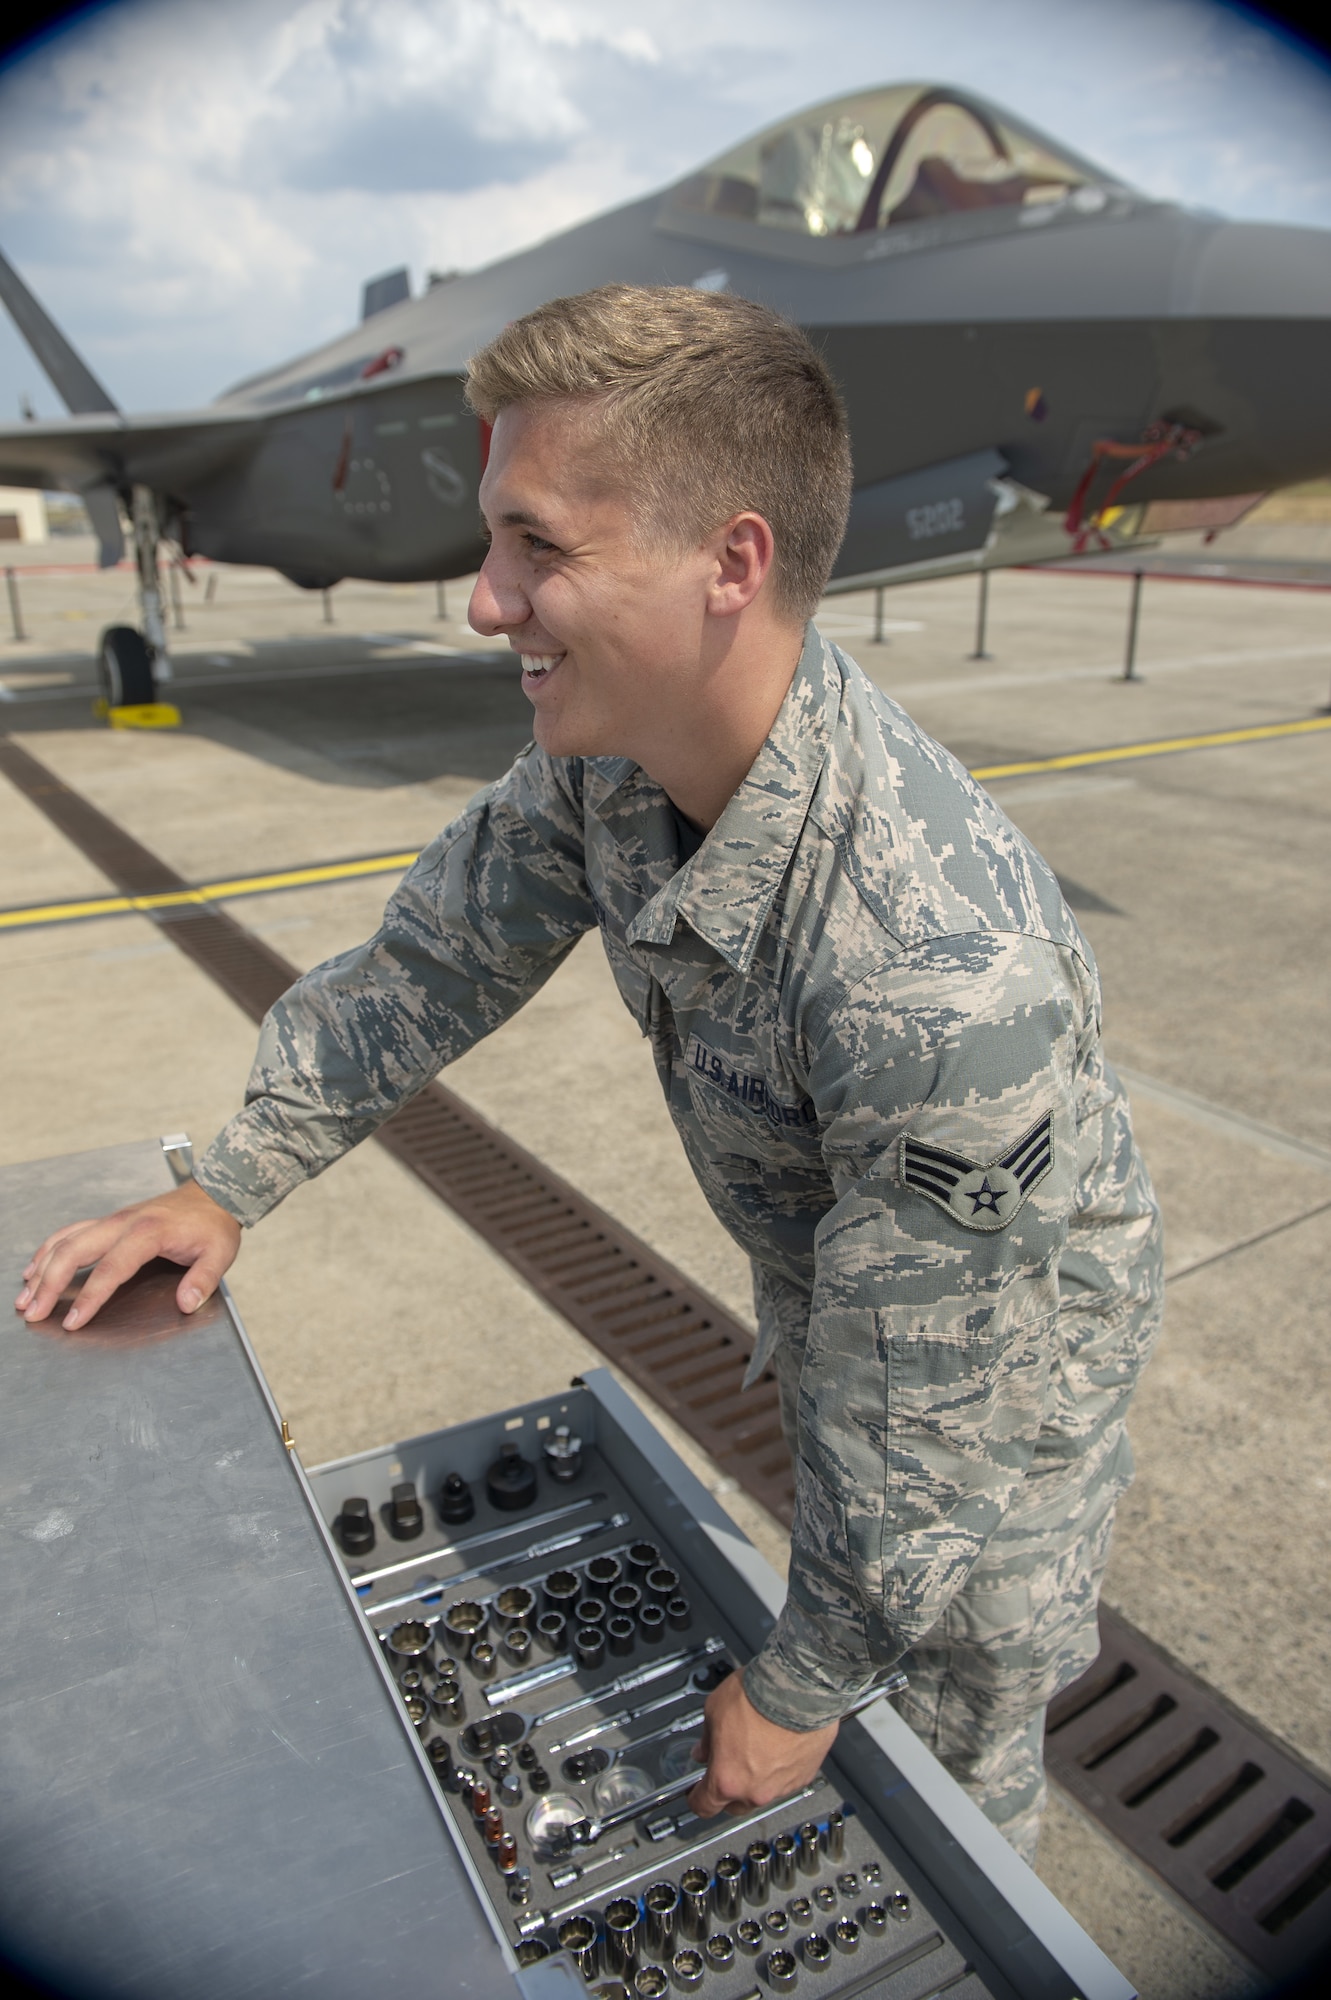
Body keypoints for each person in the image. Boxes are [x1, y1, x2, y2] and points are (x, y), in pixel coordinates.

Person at [15, 285, 1163, 1863]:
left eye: (538, 549)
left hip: (1002, 1382)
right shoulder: (620, 755)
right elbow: (428, 964)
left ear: (730, 567)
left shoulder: (932, 974)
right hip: (861, 1312)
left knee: (953, 1761)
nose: (483, 603)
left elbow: (936, 1416)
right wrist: (230, 1184)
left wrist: (806, 1677)